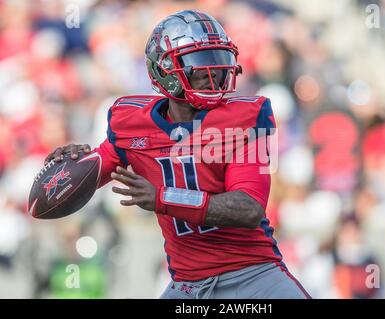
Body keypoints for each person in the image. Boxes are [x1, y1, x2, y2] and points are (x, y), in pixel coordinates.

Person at [44, 10, 310, 299]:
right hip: (188, 284)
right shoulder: (132, 123)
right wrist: (68, 164)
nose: (215, 74)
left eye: (219, 62)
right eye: (201, 64)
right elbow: (85, 176)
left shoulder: (246, 118)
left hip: (253, 276)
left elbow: (248, 208)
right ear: (163, 70)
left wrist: (163, 197)